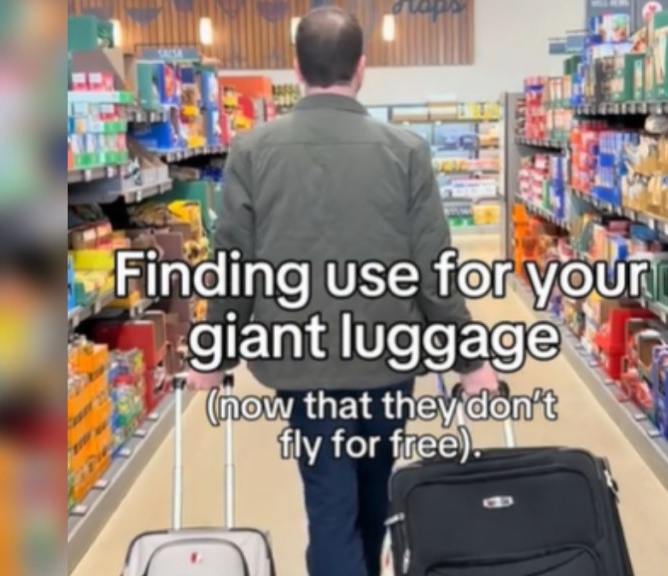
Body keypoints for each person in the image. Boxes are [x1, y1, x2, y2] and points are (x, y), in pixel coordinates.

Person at [188, 7, 500, 576]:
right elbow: (433, 267)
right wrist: (470, 361)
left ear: (294, 68)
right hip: (386, 360)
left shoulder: (253, 151)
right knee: (374, 488)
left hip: (301, 368)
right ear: (362, 68)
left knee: (328, 501)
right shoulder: (406, 151)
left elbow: (234, 265)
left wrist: (213, 356)